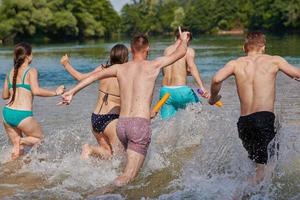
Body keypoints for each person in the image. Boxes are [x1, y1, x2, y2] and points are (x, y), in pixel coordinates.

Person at [59, 29, 191, 186]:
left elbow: (92, 77)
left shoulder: (119, 68)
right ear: (147, 49)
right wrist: (183, 39)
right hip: (139, 125)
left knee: (121, 168)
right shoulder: (154, 65)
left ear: (131, 49)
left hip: (121, 125)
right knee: (128, 176)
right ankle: (97, 194)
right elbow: (181, 52)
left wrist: (72, 92)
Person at [209, 31, 300, 185]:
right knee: (265, 170)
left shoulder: (235, 63)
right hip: (264, 120)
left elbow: (217, 79)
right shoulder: (274, 60)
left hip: (244, 123)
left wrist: (213, 98)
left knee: (257, 165)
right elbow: (297, 74)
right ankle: (236, 195)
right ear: (263, 47)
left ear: (245, 47)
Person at [60, 44, 129, 159]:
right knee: (121, 157)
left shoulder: (103, 68)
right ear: (126, 58)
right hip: (111, 119)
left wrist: (66, 64)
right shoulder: (125, 73)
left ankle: (90, 149)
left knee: (108, 154)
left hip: (95, 118)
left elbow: (81, 78)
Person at [2, 42, 65, 160]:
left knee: (17, 147)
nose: (33, 56)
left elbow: (4, 96)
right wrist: (55, 92)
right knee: (40, 139)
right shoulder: (31, 71)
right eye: (32, 54)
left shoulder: (10, 72)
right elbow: (36, 91)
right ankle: (20, 141)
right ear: (27, 56)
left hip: (7, 113)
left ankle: (12, 170)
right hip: (22, 115)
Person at [157, 28, 209, 119]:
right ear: (187, 38)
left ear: (175, 38)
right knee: (198, 109)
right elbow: (192, 68)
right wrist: (201, 87)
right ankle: (193, 133)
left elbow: (164, 72)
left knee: (166, 123)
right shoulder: (188, 50)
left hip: (165, 92)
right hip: (182, 92)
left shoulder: (166, 50)